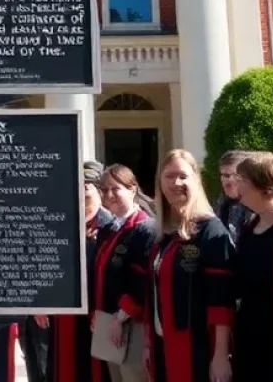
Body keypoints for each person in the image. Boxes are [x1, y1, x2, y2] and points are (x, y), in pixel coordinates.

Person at [144, 149, 233, 382]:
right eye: (169, 176)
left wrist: (220, 356)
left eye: (183, 176)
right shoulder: (163, 235)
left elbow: (221, 301)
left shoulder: (211, 232)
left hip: (199, 348)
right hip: (163, 344)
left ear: (196, 179)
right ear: (159, 182)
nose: (176, 183)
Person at [41, 161, 115, 382]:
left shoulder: (109, 227)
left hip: (95, 312)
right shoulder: (62, 222)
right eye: (77, 184)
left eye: (87, 185)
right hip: (63, 314)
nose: (81, 190)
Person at [233, 151, 273, 382]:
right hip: (249, 337)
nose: (235, 185)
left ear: (267, 187)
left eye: (242, 180)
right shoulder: (249, 227)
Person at [93, 163, 154, 382]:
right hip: (109, 324)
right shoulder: (109, 228)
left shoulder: (145, 228)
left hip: (132, 325)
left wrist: (120, 318)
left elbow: (141, 281)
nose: (109, 195)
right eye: (104, 189)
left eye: (115, 188)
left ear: (132, 189)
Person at [212, 149, 253, 241]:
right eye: (222, 175)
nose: (224, 180)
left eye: (228, 175)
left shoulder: (256, 207)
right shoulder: (221, 205)